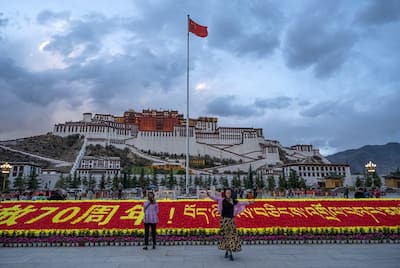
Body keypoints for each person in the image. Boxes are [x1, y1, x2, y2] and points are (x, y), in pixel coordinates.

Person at [207, 188, 254, 261]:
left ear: (231, 194)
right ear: (225, 194)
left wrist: (249, 202)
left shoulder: (234, 201)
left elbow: (242, 203)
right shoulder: (221, 200)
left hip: (231, 221)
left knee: (231, 236)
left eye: (229, 193)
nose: (228, 194)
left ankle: (230, 253)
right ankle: (227, 251)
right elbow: (214, 198)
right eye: (227, 193)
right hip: (224, 221)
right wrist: (208, 194)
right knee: (226, 236)